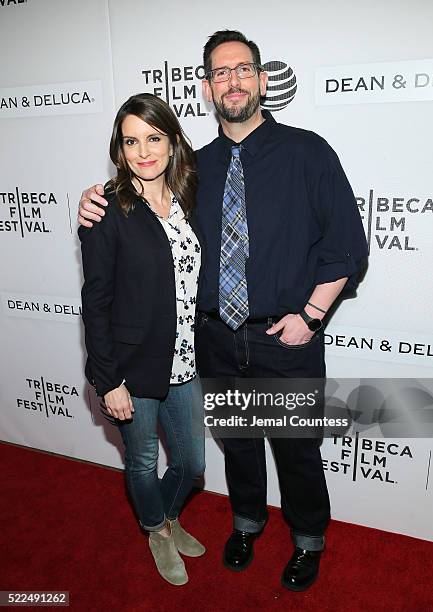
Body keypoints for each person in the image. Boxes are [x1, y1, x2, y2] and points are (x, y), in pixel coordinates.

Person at [78, 30, 368, 592]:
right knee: (237, 444)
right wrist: (91, 200)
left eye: (242, 69)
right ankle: (247, 522)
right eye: (219, 72)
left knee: (297, 451)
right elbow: (142, 208)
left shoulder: (309, 152)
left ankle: (308, 537)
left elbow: (348, 247)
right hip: (212, 337)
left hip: (285, 337)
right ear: (208, 89)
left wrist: (309, 317)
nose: (231, 80)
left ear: (261, 80)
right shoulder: (193, 168)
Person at [79, 93, 206, 587]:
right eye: (131, 141)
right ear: (119, 148)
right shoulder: (107, 210)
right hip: (132, 367)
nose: (143, 151)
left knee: (193, 462)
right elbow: (96, 301)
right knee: (144, 461)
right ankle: (155, 529)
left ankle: (168, 515)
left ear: (172, 143)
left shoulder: (187, 198)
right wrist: (107, 379)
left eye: (153, 138)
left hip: (185, 362)